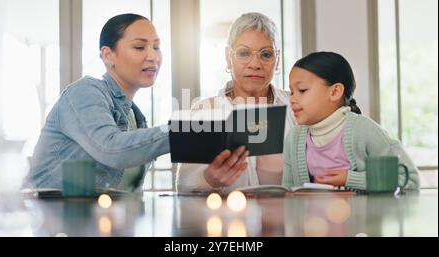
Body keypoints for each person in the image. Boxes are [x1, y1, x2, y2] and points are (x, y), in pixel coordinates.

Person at [24, 13, 169, 191]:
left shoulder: (137, 119)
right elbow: (111, 149)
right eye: (140, 47)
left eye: (156, 47)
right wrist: (181, 133)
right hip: (50, 215)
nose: (153, 56)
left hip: (98, 217)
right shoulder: (83, 92)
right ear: (108, 55)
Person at [176, 12, 296, 193]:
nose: (255, 64)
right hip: (225, 218)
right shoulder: (204, 111)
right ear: (228, 57)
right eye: (243, 53)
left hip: (287, 219)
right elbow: (183, 186)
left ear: (277, 59)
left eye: (266, 54)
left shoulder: (297, 106)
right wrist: (209, 179)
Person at [282, 51, 419, 190]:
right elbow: (288, 192)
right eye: (292, 91)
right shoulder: (293, 138)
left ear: (335, 92)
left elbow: (410, 180)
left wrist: (350, 179)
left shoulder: (366, 131)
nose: (292, 98)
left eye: (302, 90)